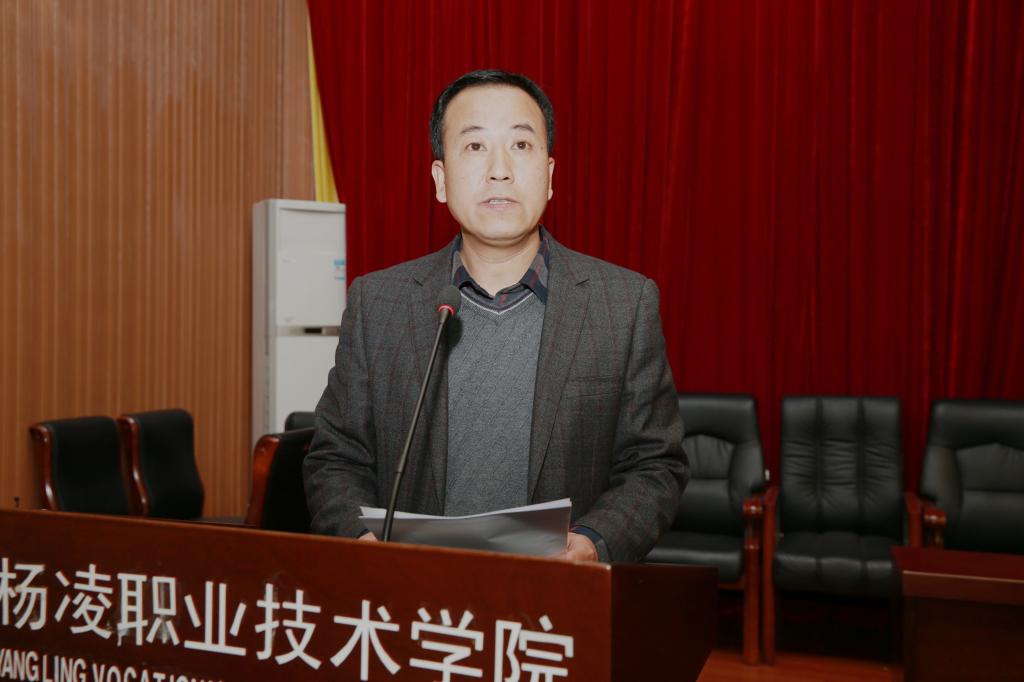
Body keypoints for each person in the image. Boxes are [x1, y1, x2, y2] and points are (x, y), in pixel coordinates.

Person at [303, 69, 687, 563]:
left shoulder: (623, 304)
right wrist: (362, 542)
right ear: (440, 180)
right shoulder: (378, 304)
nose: (499, 170)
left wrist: (594, 542)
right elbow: (335, 457)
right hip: (414, 590)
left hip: (559, 596)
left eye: (520, 145)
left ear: (550, 176)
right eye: (475, 146)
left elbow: (654, 465)